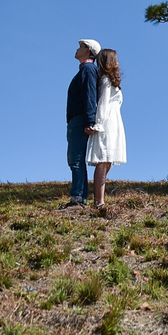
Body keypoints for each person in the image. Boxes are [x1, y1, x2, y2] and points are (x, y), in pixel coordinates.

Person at [86, 48, 126, 210]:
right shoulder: (105, 80)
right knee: (103, 160)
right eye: (114, 59)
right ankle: (99, 201)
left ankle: (99, 198)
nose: (117, 62)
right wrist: (99, 123)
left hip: (114, 122)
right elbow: (102, 102)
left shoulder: (110, 79)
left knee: (107, 160)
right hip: (107, 122)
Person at [62, 38, 99, 208]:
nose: (77, 49)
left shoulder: (88, 69)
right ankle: (79, 197)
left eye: (81, 47)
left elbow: (90, 95)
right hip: (77, 119)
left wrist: (89, 120)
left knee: (76, 159)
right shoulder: (85, 69)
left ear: (89, 51)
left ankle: (78, 198)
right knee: (76, 158)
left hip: (79, 120)